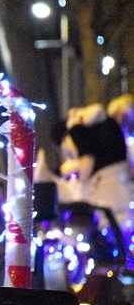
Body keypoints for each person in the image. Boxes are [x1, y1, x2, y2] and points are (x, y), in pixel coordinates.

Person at [36, 104, 134, 260]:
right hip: (113, 216)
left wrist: (66, 169)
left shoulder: (82, 137)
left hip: (111, 224)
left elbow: (84, 168)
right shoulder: (97, 175)